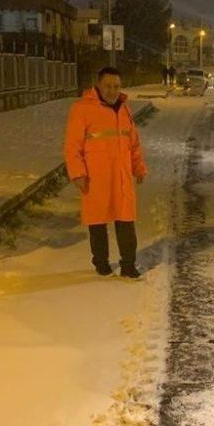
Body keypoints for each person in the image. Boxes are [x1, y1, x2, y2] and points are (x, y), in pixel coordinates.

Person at [64, 66, 148, 278]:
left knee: (126, 220)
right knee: (97, 222)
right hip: (96, 177)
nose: (112, 90)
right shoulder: (82, 108)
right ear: (98, 85)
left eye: (116, 86)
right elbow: (72, 146)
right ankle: (101, 263)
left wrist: (139, 167)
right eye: (108, 86)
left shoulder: (124, 108)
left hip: (121, 176)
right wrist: (78, 173)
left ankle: (128, 265)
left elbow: (134, 143)